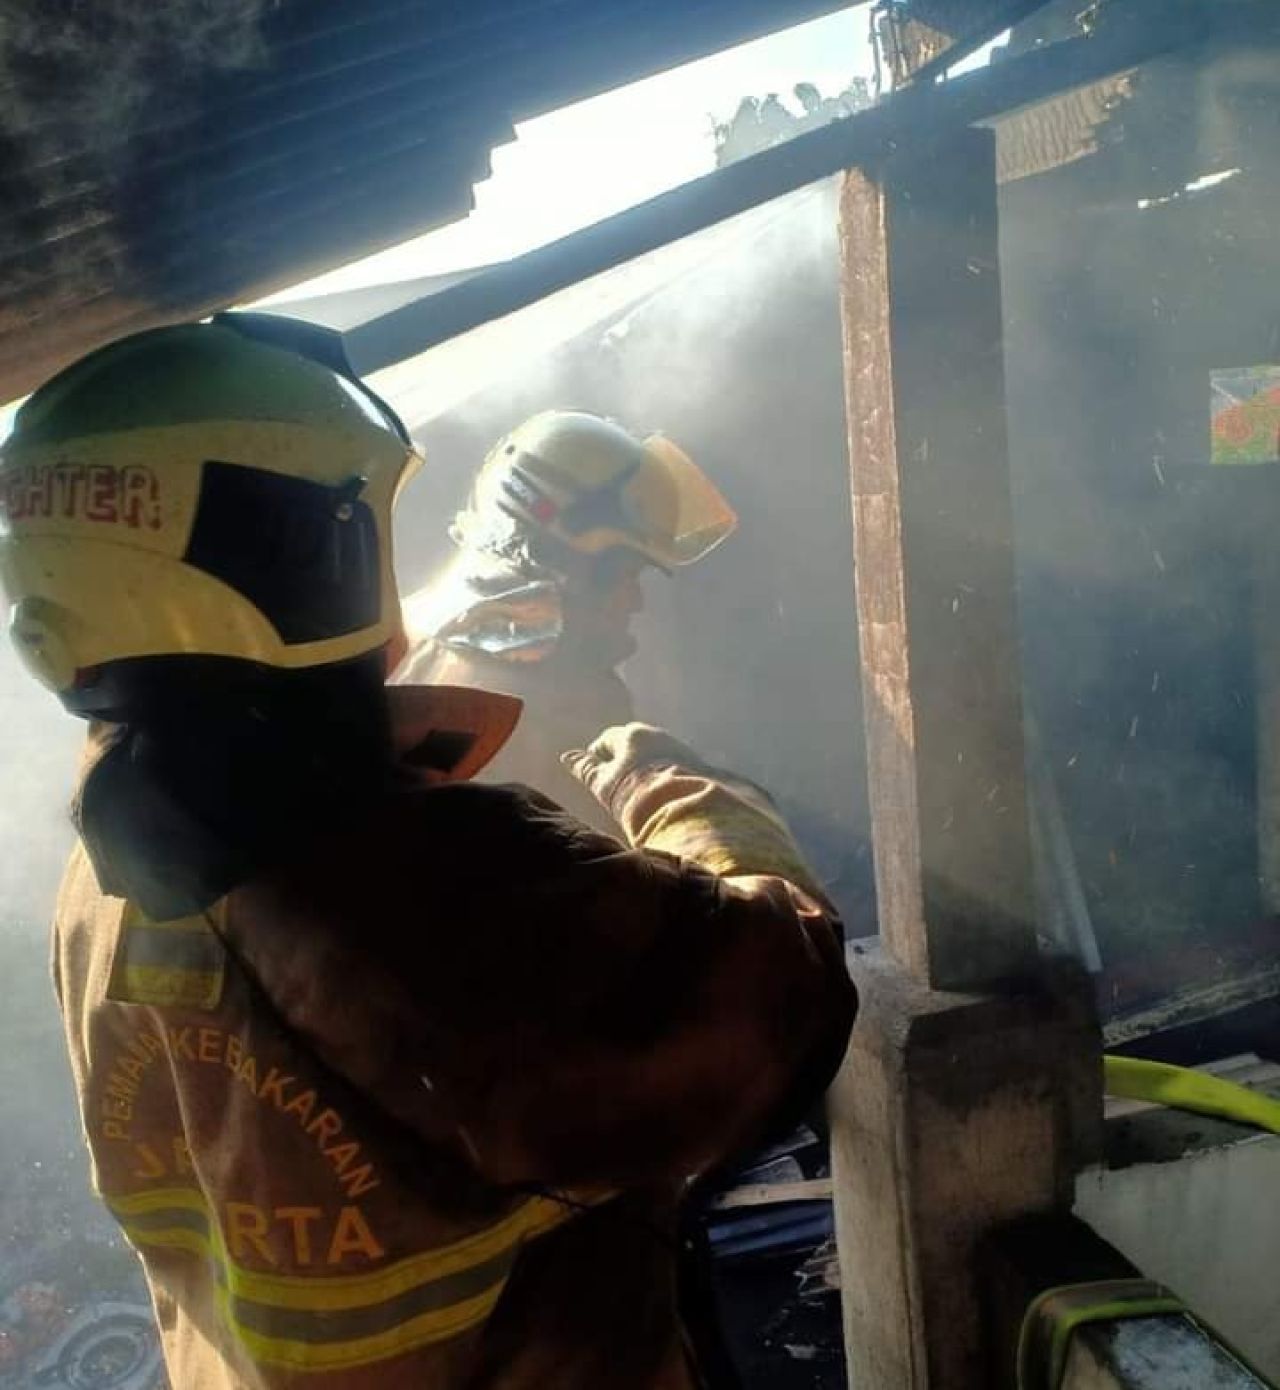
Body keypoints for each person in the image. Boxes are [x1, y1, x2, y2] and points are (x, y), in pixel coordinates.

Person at [0, 314, 857, 1390]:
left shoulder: (103, 874)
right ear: (299, 548)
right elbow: (782, 994)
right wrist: (679, 790)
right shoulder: (408, 880)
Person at [395, 409, 737, 831]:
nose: (635, 601)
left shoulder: (402, 631)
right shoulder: (553, 713)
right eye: (626, 575)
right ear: (557, 563)